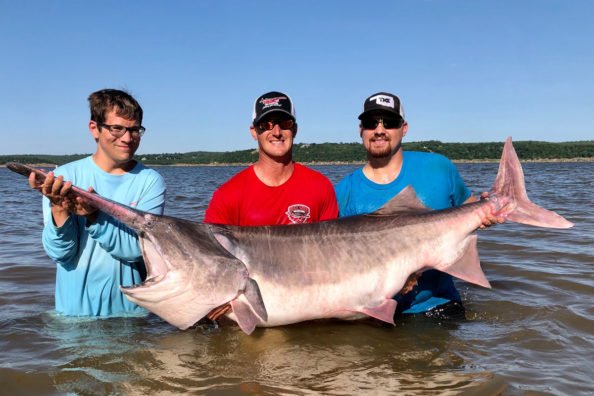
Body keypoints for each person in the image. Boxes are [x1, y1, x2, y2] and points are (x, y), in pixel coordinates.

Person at [335, 92, 500, 318]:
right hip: (376, 315)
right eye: (371, 123)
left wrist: (489, 212)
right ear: (361, 130)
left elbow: (469, 211)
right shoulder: (344, 192)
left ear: (404, 128)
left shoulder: (438, 167)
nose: (380, 130)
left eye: (389, 122)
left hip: (438, 306)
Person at [28, 89, 166, 317]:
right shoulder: (63, 178)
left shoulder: (150, 182)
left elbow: (136, 250)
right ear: (95, 128)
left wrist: (94, 216)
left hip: (130, 317)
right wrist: (58, 210)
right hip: (72, 315)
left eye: (134, 130)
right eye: (117, 128)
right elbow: (60, 254)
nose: (127, 138)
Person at [204, 91, 338, 226]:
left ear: (295, 130)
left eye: (285, 123)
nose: (277, 132)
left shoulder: (321, 187)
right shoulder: (227, 195)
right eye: (266, 125)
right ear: (254, 132)